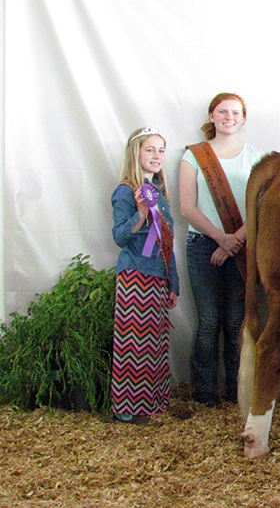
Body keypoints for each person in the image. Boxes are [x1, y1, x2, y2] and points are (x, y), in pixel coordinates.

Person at [179, 93, 266, 407]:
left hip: (243, 246)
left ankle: (235, 389)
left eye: (236, 112)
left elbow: (261, 205)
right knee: (208, 321)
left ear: (243, 119)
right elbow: (187, 208)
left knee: (235, 322)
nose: (229, 117)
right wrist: (220, 238)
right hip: (203, 245)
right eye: (223, 111)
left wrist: (234, 242)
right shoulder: (193, 156)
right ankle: (204, 392)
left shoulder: (258, 158)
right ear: (212, 116)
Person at [111, 127, 179, 425]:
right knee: (132, 343)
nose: (157, 156)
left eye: (161, 150)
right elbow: (119, 236)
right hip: (135, 275)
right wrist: (139, 214)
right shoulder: (126, 191)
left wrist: (173, 283)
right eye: (150, 149)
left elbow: (167, 241)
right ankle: (128, 409)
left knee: (154, 343)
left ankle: (152, 404)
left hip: (158, 277)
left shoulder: (161, 195)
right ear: (135, 153)